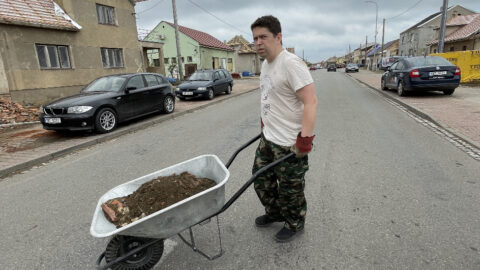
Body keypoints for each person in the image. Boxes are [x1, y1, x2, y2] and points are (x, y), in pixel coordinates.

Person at [250, 15, 318, 242]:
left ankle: (295, 222)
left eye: (263, 37)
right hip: (268, 138)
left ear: (278, 37)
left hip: (289, 143)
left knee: (290, 190)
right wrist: (264, 123)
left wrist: (304, 141)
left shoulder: (291, 64)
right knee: (261, 181)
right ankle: (275, 212)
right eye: (255, 38)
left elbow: (311, 102)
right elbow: (269, 96)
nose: (258, 42)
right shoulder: (265, 64)